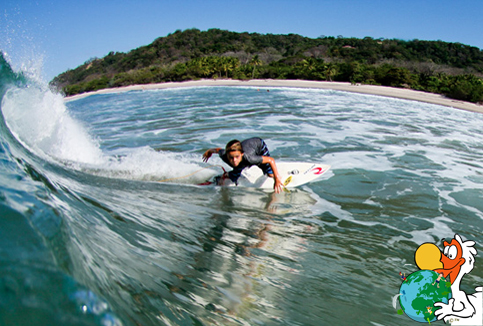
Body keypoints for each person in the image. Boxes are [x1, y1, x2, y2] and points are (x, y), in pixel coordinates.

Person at [202, 137, 284, 193]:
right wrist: (209, 151)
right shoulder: (224, 154)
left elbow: (270, 160)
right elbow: (217, 150)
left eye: (237, 157)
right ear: (227, 155)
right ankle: (225, 176)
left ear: (241, 154)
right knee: (235, 173)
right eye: (231, 157)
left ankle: (276, 175)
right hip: (245, 151)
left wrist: (276, 179)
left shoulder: (250, 158)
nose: (234, 160)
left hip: (259, 145)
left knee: (270, 174)